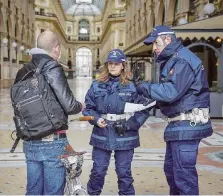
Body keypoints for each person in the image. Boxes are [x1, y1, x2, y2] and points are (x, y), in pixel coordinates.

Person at [136, 25, 213, 195]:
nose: (154, 48)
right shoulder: (174, 59)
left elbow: (171, 92)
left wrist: (143, 87)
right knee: (172, 171)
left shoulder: (182, 60)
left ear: (168, 39)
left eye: (156, 43)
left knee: (183, 176)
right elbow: (172, 93)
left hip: (187, 125)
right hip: (179, 126)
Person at [14, 30, 84, 195]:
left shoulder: (23, 70)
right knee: (53, 192)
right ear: (57, 48)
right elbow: (69, 105)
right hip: (52, 141)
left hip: (29, 140)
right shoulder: (51, 66)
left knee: (33, 191)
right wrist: (81, 106)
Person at [82, 49, 153, 195]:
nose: (112, 66)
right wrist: (95, 119)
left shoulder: (133, 86)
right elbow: (88, 108)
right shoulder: (96, 85)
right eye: (110, 63)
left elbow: (144, 109)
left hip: (125, 135)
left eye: (116, 63)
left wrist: (130, 124)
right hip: (102, 132)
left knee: (124, 172)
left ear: (123, 65)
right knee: (98, 171)